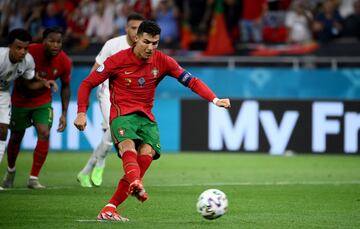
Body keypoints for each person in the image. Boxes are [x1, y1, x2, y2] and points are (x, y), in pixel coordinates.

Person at [74, 20, 231, 221]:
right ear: (136, 38)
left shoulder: (163, 61)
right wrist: (81, 112)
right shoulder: (117, 60)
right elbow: (87, 84)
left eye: (155, 43)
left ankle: (111, 207)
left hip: (146, 119)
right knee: (127, 147)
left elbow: (191, 81)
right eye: (147, 42)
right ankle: (135, 183)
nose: (151, 48)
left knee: (146, 155)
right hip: (122, 115)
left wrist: (215, 99)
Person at [77, 13, 145, 188]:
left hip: (129, 94)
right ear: (126, 28)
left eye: (139, 28)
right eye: (133, 28)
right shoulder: (113, 45)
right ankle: (99, 163)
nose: (136, 31)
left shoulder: (145, 47)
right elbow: (95, 71)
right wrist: (86, 96)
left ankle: (87, 170)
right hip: (107, 90)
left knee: (111, 131)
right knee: (115, 127)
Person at [2, 27, 71, 189]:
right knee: (16, 137)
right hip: (20, 101)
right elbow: (23, 80)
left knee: (44, 132)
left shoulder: (64, 61)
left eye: (59, 42)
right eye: (51, 41)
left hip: (42, 102)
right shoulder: (29, 51)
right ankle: (11, 169)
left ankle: (33, 178)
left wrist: (64, 114)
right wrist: (42, 82)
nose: (55, 45)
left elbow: (66, 87)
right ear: (42, 40)